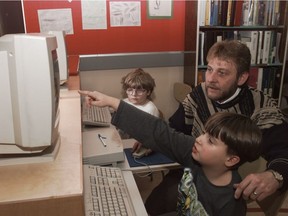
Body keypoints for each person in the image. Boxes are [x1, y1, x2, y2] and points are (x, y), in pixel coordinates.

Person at [145, 39, 288, 215]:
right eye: (209, 70)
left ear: (242, 78)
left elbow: (283, 151)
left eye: (222, 73)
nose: (211, 79)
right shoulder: (198, 95)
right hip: (193, 169)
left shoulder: (262, 106)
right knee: (156, 202)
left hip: (228, 185)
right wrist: (153, 142)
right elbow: (176, 130)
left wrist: (275, 175)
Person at [78, 89, 262, 215]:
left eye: (210, 140)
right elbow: (159, 132)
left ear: (231, 160)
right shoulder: (194, 153)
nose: (199, 139)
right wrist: (112, 102)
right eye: (204, 133)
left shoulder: (232, 203)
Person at [119, 68, 159, 156]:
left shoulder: (150, 109)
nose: (134, 94)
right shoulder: (125, 101)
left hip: (136, 146)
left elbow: (153, 137)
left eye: (140, 90)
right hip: (124, 141)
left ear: (148, 92)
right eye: (130, 90)